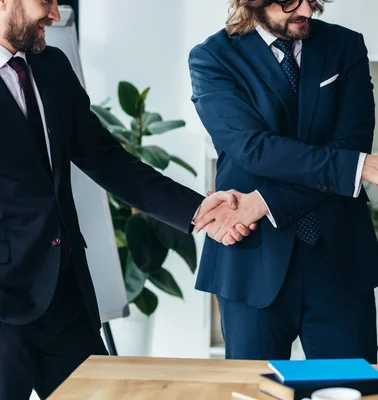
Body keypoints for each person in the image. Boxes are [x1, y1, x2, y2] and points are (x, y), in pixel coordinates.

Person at [0, 1, 254, 398]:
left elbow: (106, 159)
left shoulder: (51, 67)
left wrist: (197, 210)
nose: (54, 13)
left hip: (65, 295)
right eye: (45, 1)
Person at [188, 0, 378, 362]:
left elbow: (351, 145)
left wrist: (263, 201)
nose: (304, 8)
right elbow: (254, 148)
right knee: (257, 392)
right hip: (253, 259)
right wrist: (357, 167)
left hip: (339, 260)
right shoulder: (213, 57)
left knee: (350, 390)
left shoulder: (345, 46)